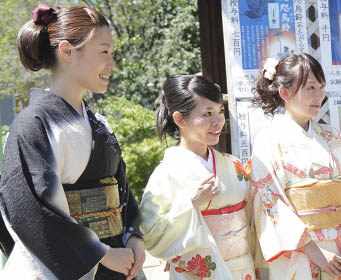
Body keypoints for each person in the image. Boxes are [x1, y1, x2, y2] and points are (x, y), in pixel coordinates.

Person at [0, 4, 145, 279]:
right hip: (75, 265)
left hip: (119, 260)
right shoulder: (32, 125)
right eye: (104, 52)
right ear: (66, 51)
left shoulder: (99, 122)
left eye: (112, 53)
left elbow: (121, 189)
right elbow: (32, 209)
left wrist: (133, 235)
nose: (112, 64)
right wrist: (100, 253)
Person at [248, 53, 341, 279]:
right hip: (300, 253)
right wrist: (315, 252)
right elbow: (271, 203)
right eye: (310, 88)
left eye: (321, 87)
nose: (319, 95)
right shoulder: (268, 141)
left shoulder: (333, 137)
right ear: (285, 93)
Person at [139, 75, 259, 279]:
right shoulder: (167, 172)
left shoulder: (232, 164)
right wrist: (191, 204)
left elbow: (254, 221)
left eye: (220, 112)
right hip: (199, 274)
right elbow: (150, 231)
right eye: (207, 113)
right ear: (179, 119)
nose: (218, 121)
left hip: (243, 269)